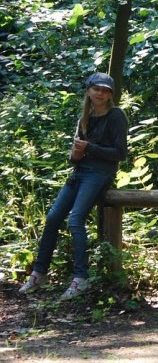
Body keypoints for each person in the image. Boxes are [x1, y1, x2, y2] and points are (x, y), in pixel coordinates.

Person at [18, 72, 128, 301]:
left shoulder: (116, 116)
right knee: (52, 217)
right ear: (88, 90)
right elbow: (75, 159)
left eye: (106, 90)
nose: (100, 93)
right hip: (80, 173)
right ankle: (39, 274)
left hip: (99, 173)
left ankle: (81, 278)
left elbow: (120, 154)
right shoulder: (84, 118)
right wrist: (77, 153)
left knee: (75, 220)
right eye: (96, 89)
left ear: (111, 95)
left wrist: (88, 147)